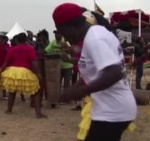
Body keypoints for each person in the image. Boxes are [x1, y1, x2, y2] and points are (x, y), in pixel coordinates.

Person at [53, 3, 137, 141]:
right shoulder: (93, 35)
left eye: (63, 33)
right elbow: (93, 69)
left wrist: (82, 91)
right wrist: (75, 87)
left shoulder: (95, 39)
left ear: (70, 26)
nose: (64, 39)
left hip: (112, 111)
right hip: (108, 109)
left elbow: (114, 72)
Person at [0, 33, 47, 118]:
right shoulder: (30, 49)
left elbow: (6, 63)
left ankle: (9, 110)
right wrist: (38, 74)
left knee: (12, 91)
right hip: (25, 71)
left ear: (16, 40)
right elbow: (34, 63)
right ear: (26, 40)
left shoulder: (12, 49)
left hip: (13, 72)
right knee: (35, 91)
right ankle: (38, 113)